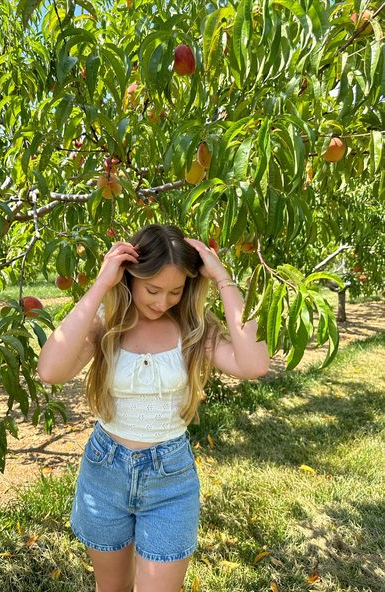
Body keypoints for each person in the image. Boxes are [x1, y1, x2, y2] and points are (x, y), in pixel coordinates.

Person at [38, 224, 270, 592]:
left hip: (170, 478)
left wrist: (223, 278)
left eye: (175, 291)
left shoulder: (193, 330)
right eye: (153, 290)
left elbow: (254, 364)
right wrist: (100, 284)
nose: (163, 302)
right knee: (110, 588)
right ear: (130, 277)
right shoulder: (107, 327)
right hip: (105, 472)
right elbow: (50, 371)